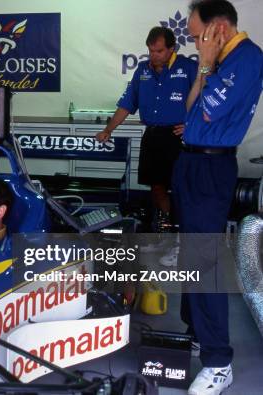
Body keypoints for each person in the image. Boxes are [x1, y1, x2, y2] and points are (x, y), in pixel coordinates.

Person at [176, 1, 262, 394]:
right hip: (191, 164)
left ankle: (218, 362)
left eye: (197, 36)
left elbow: (208, 112)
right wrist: (203, 67)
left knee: (205, 261)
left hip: (212, 168)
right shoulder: (216, 62)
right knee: (190, 256)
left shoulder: (245, 59)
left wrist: (206, 65)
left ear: (220, 27)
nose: (195, 44)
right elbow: (191, 105)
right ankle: (199, 331)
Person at [96, 26, 197, 249]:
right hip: (152, 136)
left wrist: (192, 125)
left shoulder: (189, 68)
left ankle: (182, 243)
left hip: (180, 138)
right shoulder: (142, 70)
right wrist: (108, 130)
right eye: (151, 50)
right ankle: (163, 237)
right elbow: (126, 104)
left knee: (181, 190)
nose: (154, 56)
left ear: (172, 49)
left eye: (159, 51)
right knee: (157, 188)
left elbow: (206, 102)